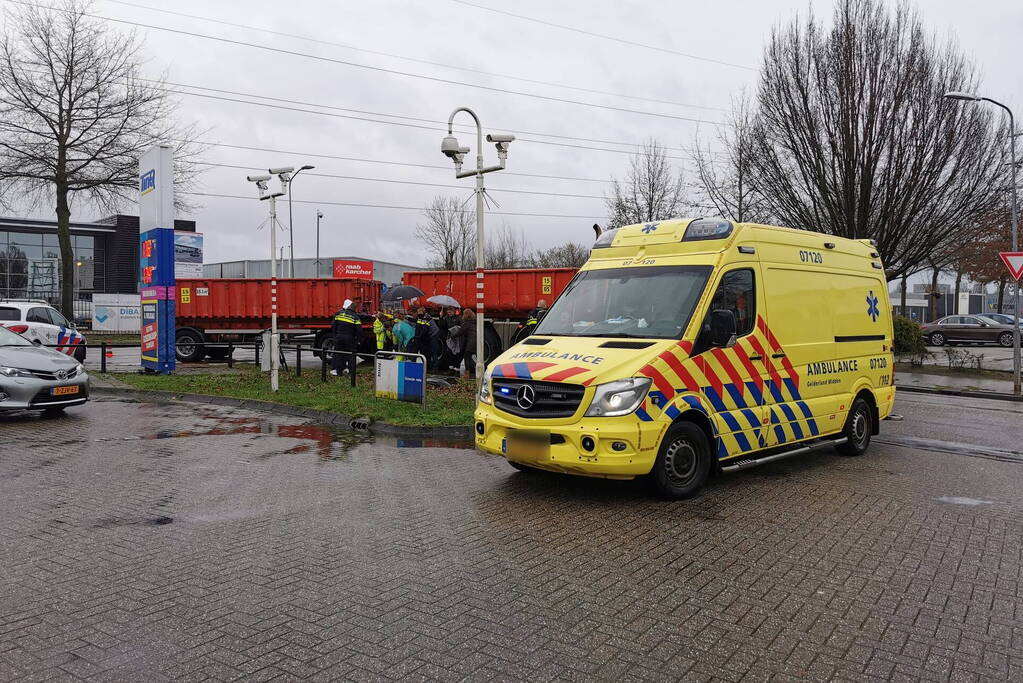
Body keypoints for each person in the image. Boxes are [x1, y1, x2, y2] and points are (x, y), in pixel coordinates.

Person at [330, 298, 359, 376]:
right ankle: (351, 372)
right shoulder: (355, 316)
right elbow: (359, 330)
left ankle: (339, 371)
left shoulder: (338, 314)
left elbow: (333, 326)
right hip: (349, 338)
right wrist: (358, 339)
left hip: (339, 337)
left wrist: (335, 337)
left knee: (339, 354)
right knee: (350, 355)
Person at [451, 309, 478, 378]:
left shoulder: (467, 323)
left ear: (466, 315)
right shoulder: (473, 322)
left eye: (464, 314)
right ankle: (472, 371)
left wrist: (452, 336)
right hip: (476, 342)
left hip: (471, 343)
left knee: (467, 357)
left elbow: (460, 332)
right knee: (471, 357)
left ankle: (467, 374)